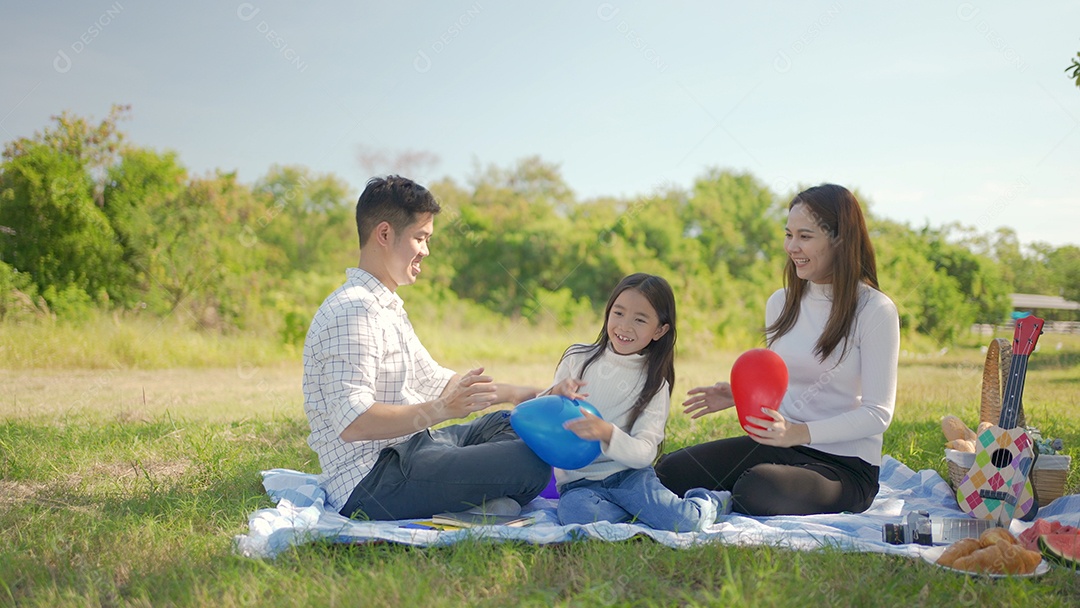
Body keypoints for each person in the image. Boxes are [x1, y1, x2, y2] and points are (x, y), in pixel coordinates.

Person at [302, 175, 551, 521]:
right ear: (385, 234)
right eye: (420, 238)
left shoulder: (385, 306)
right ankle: (472, 502)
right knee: (530, 463)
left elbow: (437, 381)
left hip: (414, 448)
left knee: (512, 424)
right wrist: (442, 409)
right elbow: (354, 422)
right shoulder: (353, 311)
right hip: (373, 481)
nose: (426, 251)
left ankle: (472, 500)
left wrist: (526, 394)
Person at [655, 183, 900, 516]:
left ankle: (754, 488)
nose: (792, 247)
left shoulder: (875, 310)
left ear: (840, 239)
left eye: (805, 236)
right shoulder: (781, 303)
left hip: (845, 466)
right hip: (782, 445)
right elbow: (786, 383)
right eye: (788, 235)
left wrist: (798, 432)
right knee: (670, 471)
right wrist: (739, 396)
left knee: (756, 490)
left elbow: (877, 414)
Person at [547, 273, 727, 532]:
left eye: (639, 320)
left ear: (660, 330)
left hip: (630, 477)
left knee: (684, 522)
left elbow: (645, 452)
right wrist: (555, 392)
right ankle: (637, 514)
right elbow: (546, 416)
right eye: (618, 314)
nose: (625, 327)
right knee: (577, 513)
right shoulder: (577, 358)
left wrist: (607, 433)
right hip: (580, 483)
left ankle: (709, 502)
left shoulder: (654, 383)